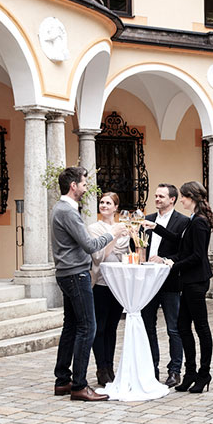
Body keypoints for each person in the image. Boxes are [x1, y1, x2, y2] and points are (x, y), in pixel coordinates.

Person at [51, 167, 127, 402]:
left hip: (67, 273)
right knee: (88, 327)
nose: (86, 188)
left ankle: (63, 380)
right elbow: (90, 246)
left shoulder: (62, 209)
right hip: (76, 274)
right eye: (84, 184)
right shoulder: (67, 211)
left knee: (71, 326)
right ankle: (80, 386)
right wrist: (112, 232)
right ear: (73, 186)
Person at [146, 181, 213, 394]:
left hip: (196, 282)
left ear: (190, 197)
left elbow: (197, 255)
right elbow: (179, 240)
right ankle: (190, 373)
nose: (181, 200)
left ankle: (204, 374)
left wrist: (173, 264)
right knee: (183, 327)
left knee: (201, 328)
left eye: (183, 197)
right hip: (187, 281)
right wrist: (156, 228)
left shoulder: (200, 222)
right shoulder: (192, 221)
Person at [141, 184, 189, 387]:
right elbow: (140, 243)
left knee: (173, 328)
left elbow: (183, 251)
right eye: (156, 196)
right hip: (148, 282)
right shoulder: (148, 218)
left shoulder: (183, 221)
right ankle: (152, 368)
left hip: (170, 281)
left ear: (172, 199)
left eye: (161, 196)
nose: (157, 199)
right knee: (148, 326)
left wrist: (164, 259)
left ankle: (175, 370)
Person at [88, 192, 130, 387]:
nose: (103, 205)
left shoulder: (123, 227)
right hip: (102, 284)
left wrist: (132, 236)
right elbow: (100, 255)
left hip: (118, 285)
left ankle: (110, 366)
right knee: (100, 327)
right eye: (102, 202)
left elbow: (129, 254)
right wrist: (114, 235)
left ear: (116, 208)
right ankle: (101, 368)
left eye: (108, 203)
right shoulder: (94, 228)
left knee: (112, 328)